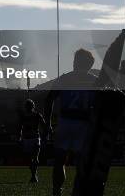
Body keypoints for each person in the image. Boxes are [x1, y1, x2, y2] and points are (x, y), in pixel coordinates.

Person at [45, 49, 97, 196]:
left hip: (66, 122)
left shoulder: (65, 79)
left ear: (75, 62)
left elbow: (49, 100)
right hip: (84, 124)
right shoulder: (95, 80)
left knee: (60, 160)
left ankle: (57, 191)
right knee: (82, 163)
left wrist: (48, 122)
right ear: (89, 64)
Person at [19, 99, 46, 183]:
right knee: (29, 159)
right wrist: (19, 137)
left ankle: (34, 176)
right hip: (27, 139)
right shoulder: (23, 117)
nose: (28, 107)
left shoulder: (37, 115)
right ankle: (34, 174)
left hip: (35, 138)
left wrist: (47, 133)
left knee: (35, 158)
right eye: (27, 106)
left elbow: (44, 125)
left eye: (30, 105)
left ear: (33, 106)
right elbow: (20, 127)